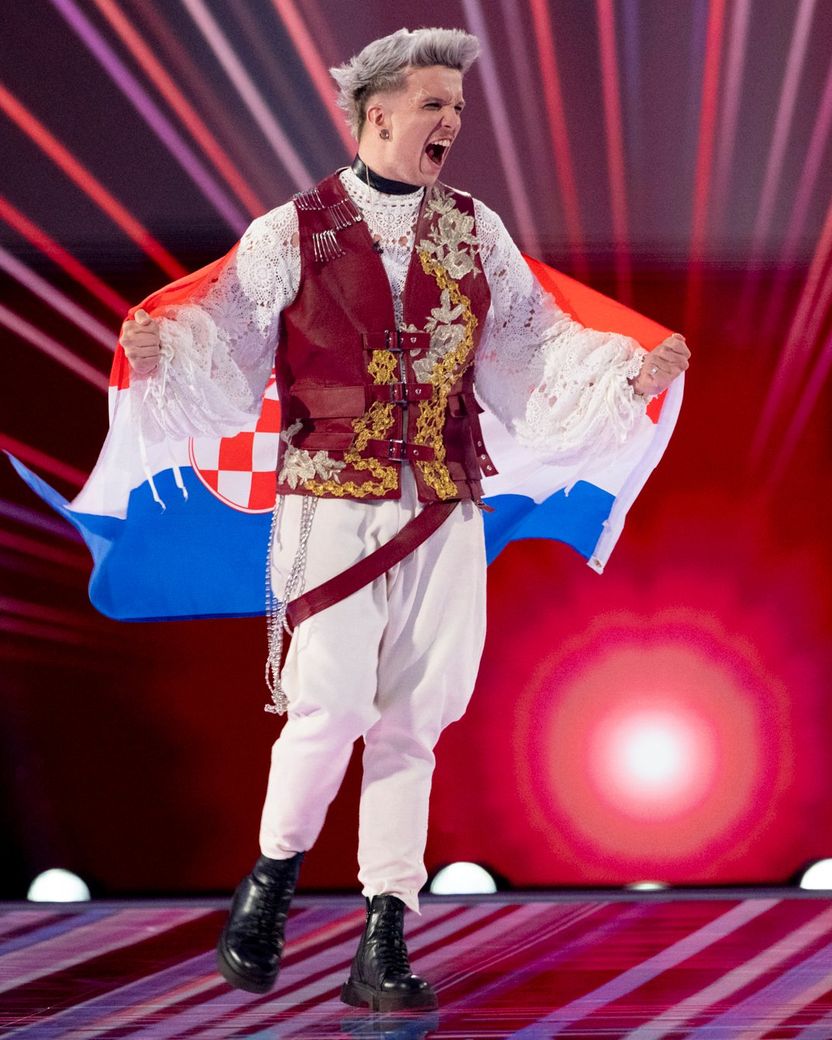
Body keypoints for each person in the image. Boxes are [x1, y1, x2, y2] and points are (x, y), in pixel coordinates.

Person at [120, 27, 689, 1013]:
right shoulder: (287, 233)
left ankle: (384, 930)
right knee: (329, 704)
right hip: (328, 502)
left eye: (458, 107)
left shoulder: (476, 230)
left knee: (411, 724)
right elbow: (232, 343)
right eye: (435, 103)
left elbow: (533, 347)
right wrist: (166, 349)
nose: (451, 122)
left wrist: (623, 374)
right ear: (377, 112)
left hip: (442, 507)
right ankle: (270, 884)